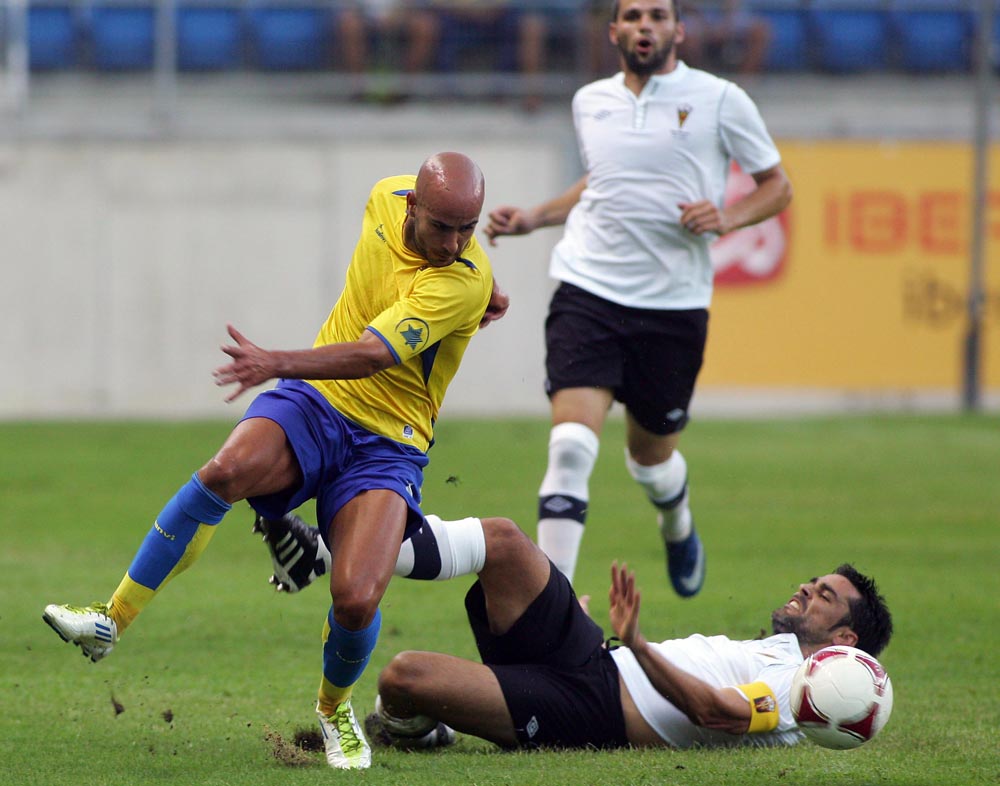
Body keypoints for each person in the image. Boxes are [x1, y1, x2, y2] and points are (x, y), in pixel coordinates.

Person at [41, 151, 510, 771]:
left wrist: (275, 361)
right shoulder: (384, 194)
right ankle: (110, 618)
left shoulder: (459, 279)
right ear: (412, 206)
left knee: (357, 598)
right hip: (319, 403)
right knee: (223, 472)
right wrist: (492, 289)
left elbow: (372, 354)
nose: (454, 243)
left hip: (388, 442)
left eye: (468, 230)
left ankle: (333, 707)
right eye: (442, 226)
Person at [483, 0, 793, 595]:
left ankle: (677, 523)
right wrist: (534, 217)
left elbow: (777, 186)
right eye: (632, 16)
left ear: (678, 29)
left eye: (656, 15)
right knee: (571, 447)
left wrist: (726, 219)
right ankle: (556, 618)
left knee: (649, 462)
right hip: (588, 289)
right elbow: (602, 182)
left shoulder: (721, 99)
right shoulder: (590, 101)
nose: (643, 25)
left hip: (672, 307)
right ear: (614, 30)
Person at [365, 515, 893, 751]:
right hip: (595, 655)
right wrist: (614, 639)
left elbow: (720, 714)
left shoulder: (805, 686)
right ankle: (340, 552)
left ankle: (419, 733)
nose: (805, 588)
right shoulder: (775, 650)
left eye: (824, 596)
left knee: (404, 676)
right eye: (815, 582)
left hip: (592, 709)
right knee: (502, 540)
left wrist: (637, 644)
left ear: (845, 642)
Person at [678, 0, 772, 76]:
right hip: (695, 19)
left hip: (722, 19)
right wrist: (705, 27)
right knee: (687, 36)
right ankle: (700, 79)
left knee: (759, 31)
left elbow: (733, 7)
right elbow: (685, 7)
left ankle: (745, 80)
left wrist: (725, 26)